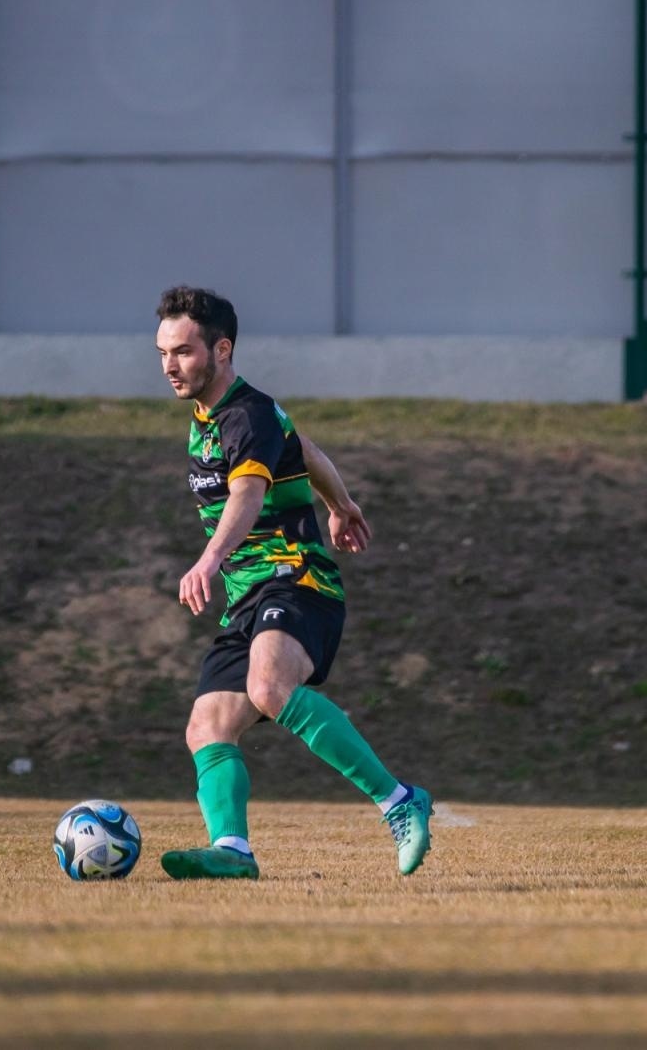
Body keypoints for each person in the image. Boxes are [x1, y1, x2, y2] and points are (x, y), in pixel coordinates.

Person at [153, 285, 432, 880]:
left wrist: (207, 560)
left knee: (270, 686)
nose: (169, 366)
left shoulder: (244, 414)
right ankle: (233, 850)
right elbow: (303, 449)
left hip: (296, 580)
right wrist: (343, 503)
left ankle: (399, 802)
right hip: (248, 596)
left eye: (182, 351)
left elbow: (249, 493)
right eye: (162, 353)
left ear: (221, 349)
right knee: (207, 725)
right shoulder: (216, 419)